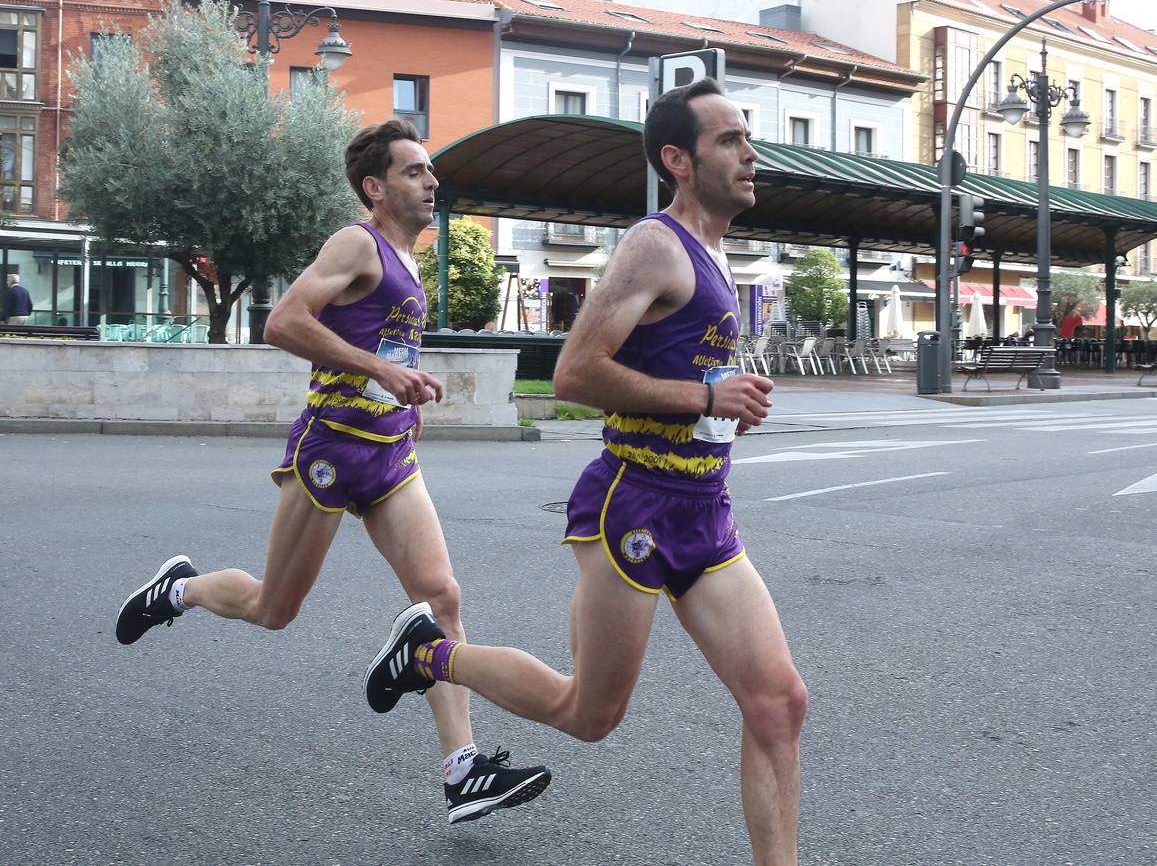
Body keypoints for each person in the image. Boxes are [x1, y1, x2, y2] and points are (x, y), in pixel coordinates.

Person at [364, 81, 808, 864]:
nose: (750, 153)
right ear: (678, 159)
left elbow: (674, 368)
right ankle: (428, 656)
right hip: (632, 508)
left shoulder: (713, 248)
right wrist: (707, 394)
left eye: (748, 137)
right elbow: (573, 373)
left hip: (704, 511)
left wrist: (718, 402)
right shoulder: (655, 244)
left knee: (777, 704)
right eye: (730, 140)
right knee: (588, 713)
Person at [115, 119, 550, 825]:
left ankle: (461, 770)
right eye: (413, 171)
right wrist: (382, 368)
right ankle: (180, 589)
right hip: (331, 452)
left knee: (441, 598)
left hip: (390, 457)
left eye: (430, 171)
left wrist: (402, 383)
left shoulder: (408, 261)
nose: (430, 181)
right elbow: (284, 322)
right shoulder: (358, 243)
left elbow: (371, 338)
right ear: (375, 188)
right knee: (273, 609)